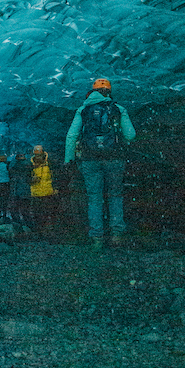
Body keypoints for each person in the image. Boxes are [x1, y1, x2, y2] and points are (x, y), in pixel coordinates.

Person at [64, 77, 136, 248]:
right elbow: (131, 135)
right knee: (115, 196)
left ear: (93, 91)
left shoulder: (83, 110)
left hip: (90, 160)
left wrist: (69, 159)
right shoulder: (118, 108)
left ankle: (97, 238)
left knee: (94, 198)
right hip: (114, 158)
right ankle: (117, 235)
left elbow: (72, 136)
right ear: (109, 92)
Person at [30, 145, 56, 238]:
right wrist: (31, 179)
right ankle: (40, 232)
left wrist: (55, 188)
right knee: (37, 214)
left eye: (39, 155)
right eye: (36, 155)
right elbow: (26, 177)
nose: (38, 157)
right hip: (36, 193)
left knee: (48, 213)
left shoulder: (50, 163)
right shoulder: (30, 164)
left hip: (48, 192)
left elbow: (55, 176)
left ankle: (48, 232)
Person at [9, 152, 33, 228]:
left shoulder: (15, 165)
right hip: (25, 191)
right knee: (25, 210)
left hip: (17, 191)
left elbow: (10, 171)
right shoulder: (28, 164)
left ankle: (18, 224)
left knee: (15, 209)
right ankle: (29, 226)